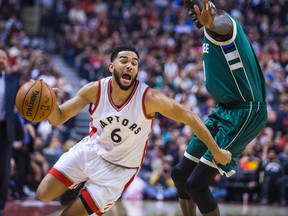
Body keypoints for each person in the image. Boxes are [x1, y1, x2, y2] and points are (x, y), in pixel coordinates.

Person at [36, 44, 231, 216]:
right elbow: (58, 118)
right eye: (124, 61)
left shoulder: (149, 98)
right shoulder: (94, 90)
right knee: (42, 193)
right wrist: (50, 106)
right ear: (111, 67)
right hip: (91, 152)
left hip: (119, 170)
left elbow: (190, 117)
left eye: (134, 63)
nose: (130, 65)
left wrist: (216, 151)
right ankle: (78, 183)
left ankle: (81, 187)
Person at [171, 0, 267, 215]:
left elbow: (221, 24)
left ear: (208, 5)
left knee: (196, 184)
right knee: (180, 174)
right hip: (224, 110)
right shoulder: (208, 29)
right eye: (189, 10)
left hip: (246, 112)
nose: (192, 13)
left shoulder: (224, 23)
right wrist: (209, 24)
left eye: (195, 7)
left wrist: (212, 22)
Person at [0, 49, 20, 215]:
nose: (1, 60)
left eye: (4, 58)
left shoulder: (13, 81)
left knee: (4, 170)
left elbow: (23, 104)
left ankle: (0, 206)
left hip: (5, 129)